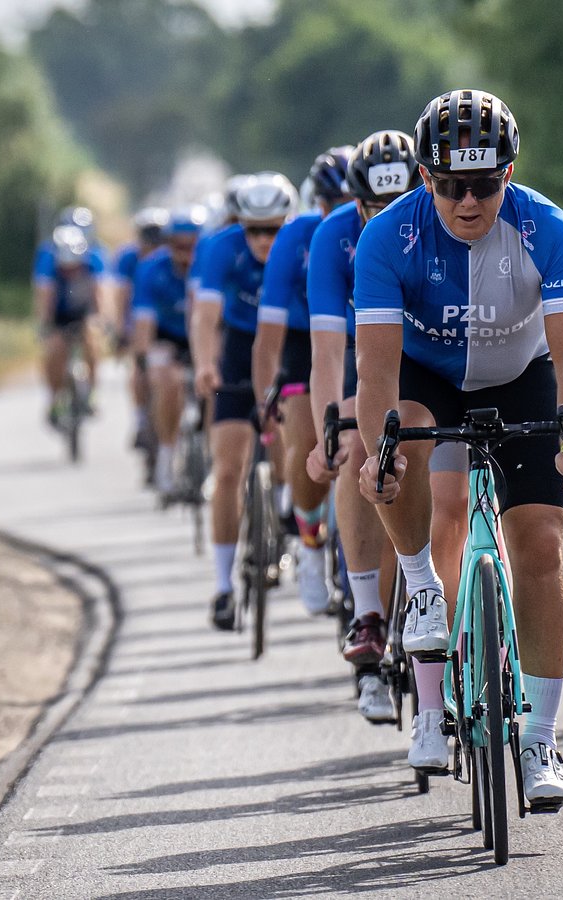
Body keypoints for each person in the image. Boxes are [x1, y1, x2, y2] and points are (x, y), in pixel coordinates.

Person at [354, 89, 563, 809]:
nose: (468, 202)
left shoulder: (550, 230)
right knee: (398, 447)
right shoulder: (388, 238)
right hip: (428, 380)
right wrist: (377, 457)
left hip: (523, 378)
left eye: (485, 184)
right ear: (424, 178)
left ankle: (541, 739)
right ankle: (422, 591)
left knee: (541, 544)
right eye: (451, 185)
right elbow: (375, 372)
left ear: (509, 173)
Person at [305, 130, 418, 725]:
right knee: (356, 444)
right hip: (361, 353)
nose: (389, 218)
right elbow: (327, 351)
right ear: (355, 203)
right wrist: (330, 429)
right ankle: (369, 613)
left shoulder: (441, 222)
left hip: (426, 352)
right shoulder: (334, 237)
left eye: (400, 203)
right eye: (375, 208)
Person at [191, 172, 299, 630]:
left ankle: (288, 510)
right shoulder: (222, 247)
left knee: (291, 443)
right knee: (228, 469)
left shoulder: (302, 243)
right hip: (239, 347)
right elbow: (205, 316)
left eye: (272, 229)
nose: (263, 240)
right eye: (253, 229)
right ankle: (222, 585)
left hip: (290, 346)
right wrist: (204, 363)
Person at [253, 148, 355, 617]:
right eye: (331, 203)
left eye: (350, 200)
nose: (342, 211)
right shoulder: (295, 237)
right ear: (318, 202)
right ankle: (311, 546)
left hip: (366, 335)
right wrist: (265, 404)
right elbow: (268, 336)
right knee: (309, 436)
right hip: (304, 337)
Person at [130, 208, 205, 495]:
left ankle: (212, 452)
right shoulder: (151, 268)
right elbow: (143, 321)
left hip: (202, 335)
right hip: (167, 336)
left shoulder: (209, 264)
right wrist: (143, 360)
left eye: (191, 245)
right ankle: (166, 454)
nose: (185, 252)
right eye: (178, 245)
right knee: (167, 382)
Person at [33, 213, 108, 426]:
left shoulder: (94, 258)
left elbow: (100, 294)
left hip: (84, 312)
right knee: (54, 350)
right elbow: (45, 296)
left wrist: (101, 320)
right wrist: (45, 325)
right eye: (65, 267)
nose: (70, 271)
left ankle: (91, 393)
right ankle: (54, 398)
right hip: (59, 314)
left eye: (74, 266)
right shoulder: (48, 258)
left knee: (92, 342)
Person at [119, 208, 171, 463]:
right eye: (148, 240)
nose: (152, 246)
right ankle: (141, 418)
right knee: (139, 368)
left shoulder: (171, 260)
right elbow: (120, 295)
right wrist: (122, 329)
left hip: (169, 322)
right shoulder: (129, 259)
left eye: (158, 240)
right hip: (141, 319)